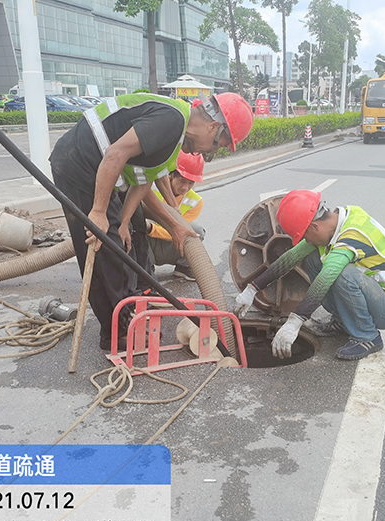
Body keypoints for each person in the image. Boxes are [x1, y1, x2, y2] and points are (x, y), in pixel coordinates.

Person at [49, 92, 253, 349]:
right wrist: (99, 213)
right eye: (216, 146)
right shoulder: (172, 120)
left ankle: (133, 303)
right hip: (80, 163)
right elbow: (115, 153)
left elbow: (142, 182)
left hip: (100, 168)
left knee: (127, 236)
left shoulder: (174, 136)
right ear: (213, 127)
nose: (206, 153)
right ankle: (117, 333)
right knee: (105, 249)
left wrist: (140, 223)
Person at [233, 190, 385, 361]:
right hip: (372, 295)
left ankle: (367, 336)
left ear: (314, 226)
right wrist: (253, 288)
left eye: (305, 236)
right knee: (312, 259)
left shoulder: (352, 234)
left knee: (341, 274)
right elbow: (291, 258)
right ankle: (343, 320)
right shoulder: (335, 224)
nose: (306, 241)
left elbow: (325, 279)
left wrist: (296, 321)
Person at [147, 152, 206, 282]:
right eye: (182, 181)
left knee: (196, 230)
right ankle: (146, 268)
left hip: (173, 244)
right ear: (171, 175)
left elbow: (181, 230)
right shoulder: (151, 190)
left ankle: (183, 267)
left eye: (191, 183)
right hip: (149, 246)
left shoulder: (195, 201)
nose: (185, 187)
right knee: (137, 225)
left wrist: (151, 229)